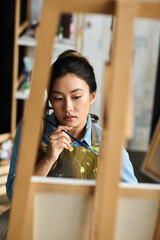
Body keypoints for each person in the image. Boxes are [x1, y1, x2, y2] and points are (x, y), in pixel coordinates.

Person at [6, 50, 137, 201]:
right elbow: (14, 195)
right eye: (58, 98)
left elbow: (132, 199)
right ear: (50, 99)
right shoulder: (30, 131)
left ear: (92, 96)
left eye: (76, 97)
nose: (68, 107)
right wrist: (49, 158)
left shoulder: (107, 144)